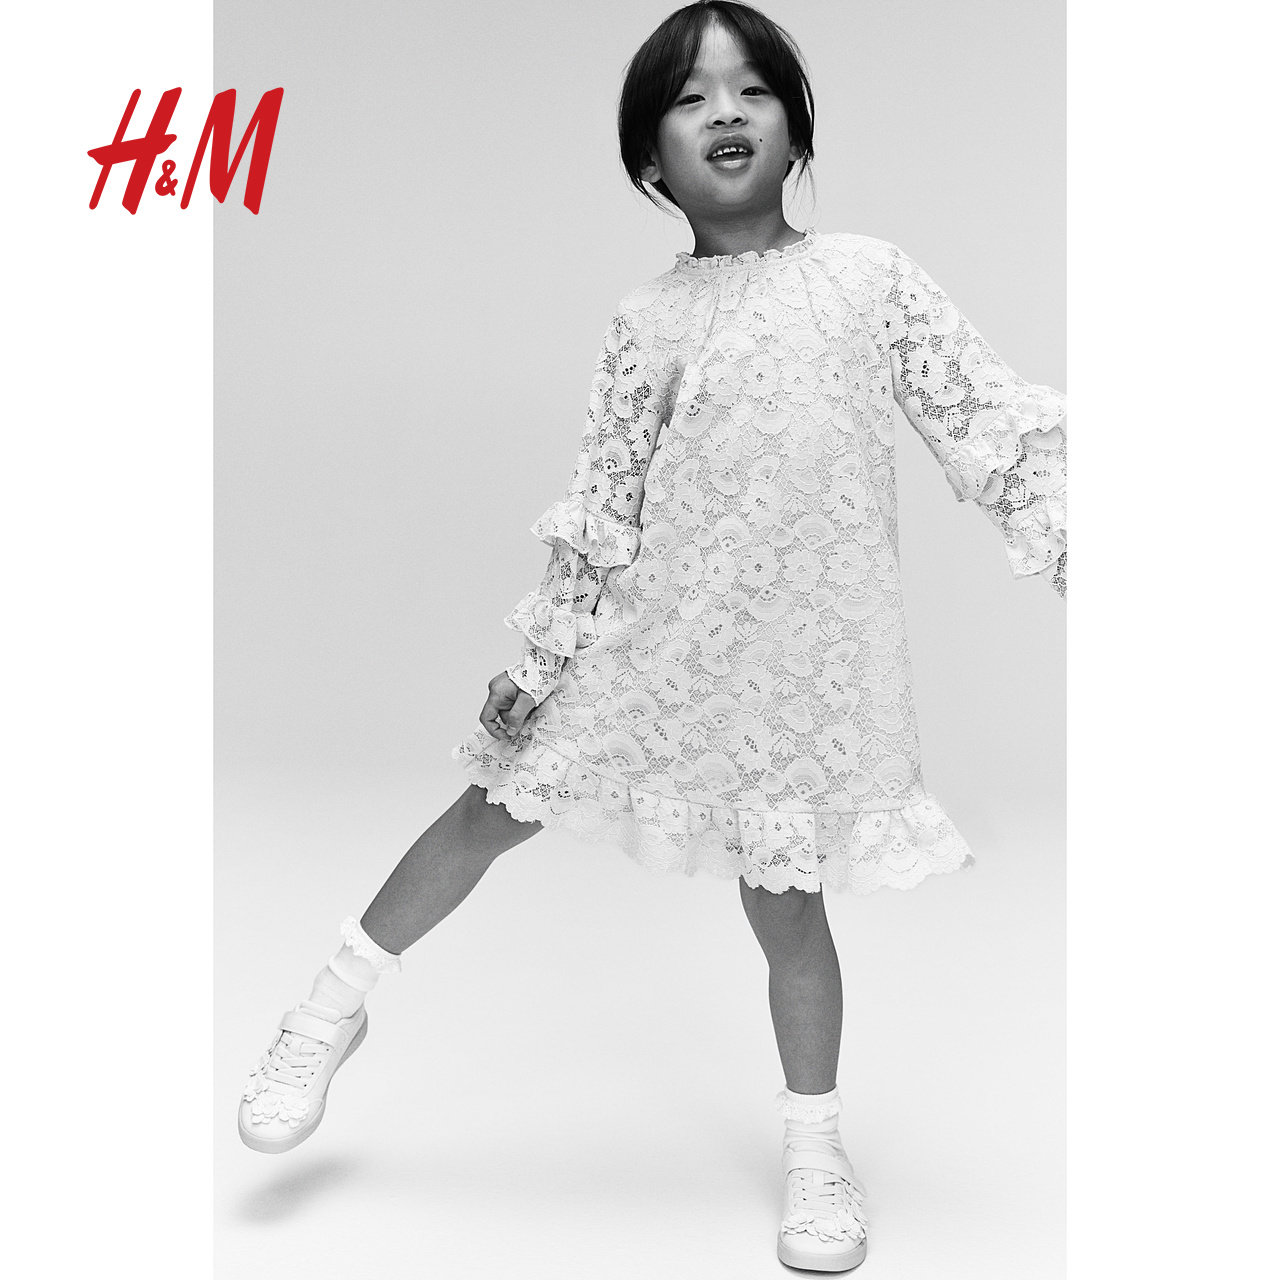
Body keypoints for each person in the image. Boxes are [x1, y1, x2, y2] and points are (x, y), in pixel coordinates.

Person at [237, 2, 1066, 1272]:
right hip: (655, 643)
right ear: (648, 158)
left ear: (794, 128)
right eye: (689, 97)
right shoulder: (648, 320)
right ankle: (326, 1008)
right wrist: (541, 658)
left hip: (800, 660)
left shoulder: (870, 277)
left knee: (785, 902)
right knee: (489, 806)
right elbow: (604, 505)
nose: (723, 111)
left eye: (750, 89)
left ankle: (814, 1147)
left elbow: (990, 431)